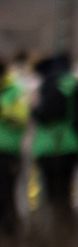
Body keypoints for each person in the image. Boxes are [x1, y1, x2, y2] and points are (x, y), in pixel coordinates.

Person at [28, 52, 78, 228]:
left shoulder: (49, 84)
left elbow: (43, 114)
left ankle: (53, 232)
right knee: (66, 193)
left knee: (51, 193)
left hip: (49, 145)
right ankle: (66, 231)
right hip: (71, 144)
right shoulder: (76, 85)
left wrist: (34, 110)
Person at [0, 56, 27, 236]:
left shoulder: (15, 91)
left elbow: (22, 117)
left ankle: (12, 238)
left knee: (6, 196)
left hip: (7, 151)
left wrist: (3, 109)